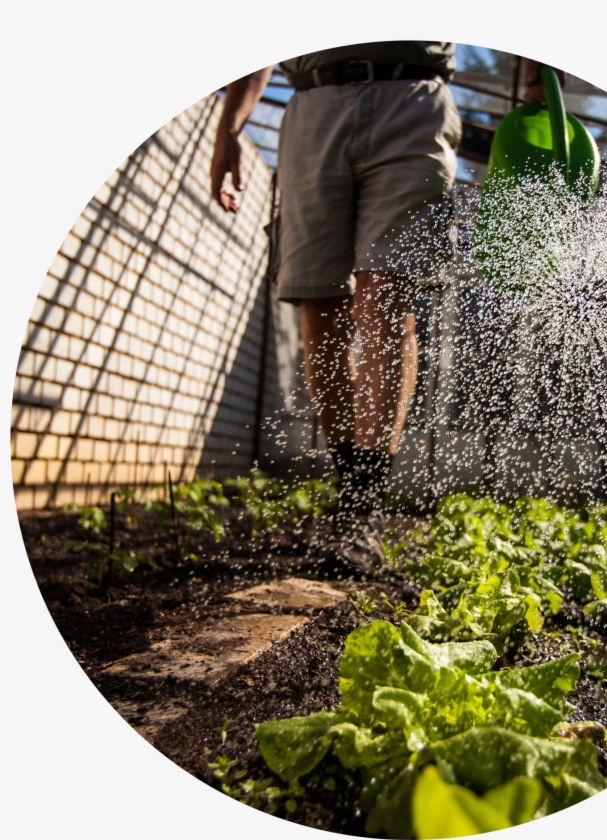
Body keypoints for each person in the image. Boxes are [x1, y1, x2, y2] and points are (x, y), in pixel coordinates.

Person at [210, 44, 561, 578]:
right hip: (310, 103)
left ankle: (363, 507)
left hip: (413, 100)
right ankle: (349, 486)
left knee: (386, 301)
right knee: (318, 301)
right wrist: (229, 130)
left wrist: (537, 81)